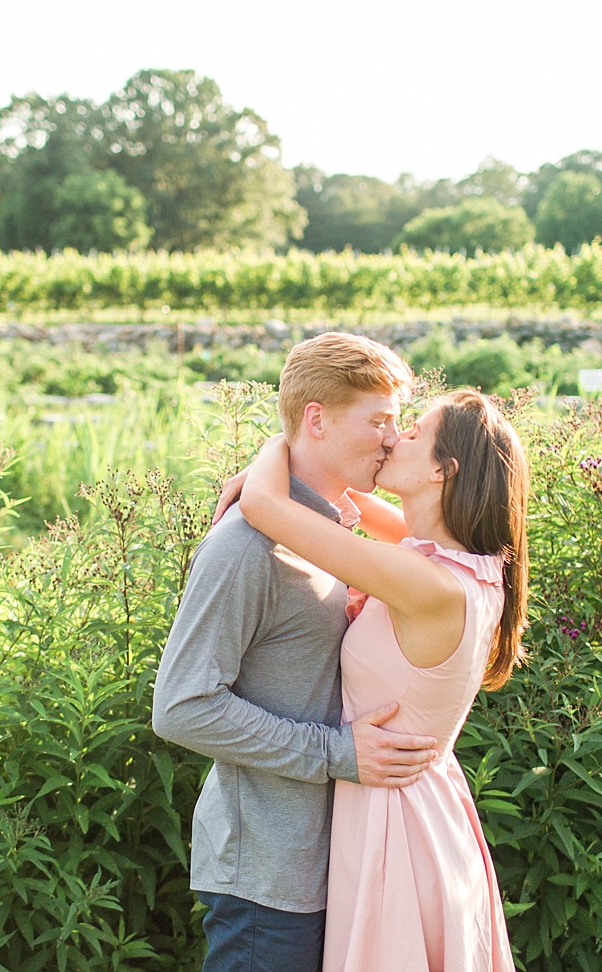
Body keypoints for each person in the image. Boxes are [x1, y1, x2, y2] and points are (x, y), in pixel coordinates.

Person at [152, 332, 444, 972]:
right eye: (379, 421)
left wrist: (269, 460)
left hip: (330, 859)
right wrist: (337, 753)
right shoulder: (245, 549)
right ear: (317, 419)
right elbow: (181, 706)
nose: (393, 439)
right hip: (266, 874)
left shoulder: (329, 531)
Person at [236, 388, 529, 972]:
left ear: (444, 471)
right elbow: (350, 504)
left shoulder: (427, 583)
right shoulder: (467, 567)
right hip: (425, 808)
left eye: (415, 432)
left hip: (395, 825)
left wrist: (287, 438)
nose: (396, 437)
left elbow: (266, 508)